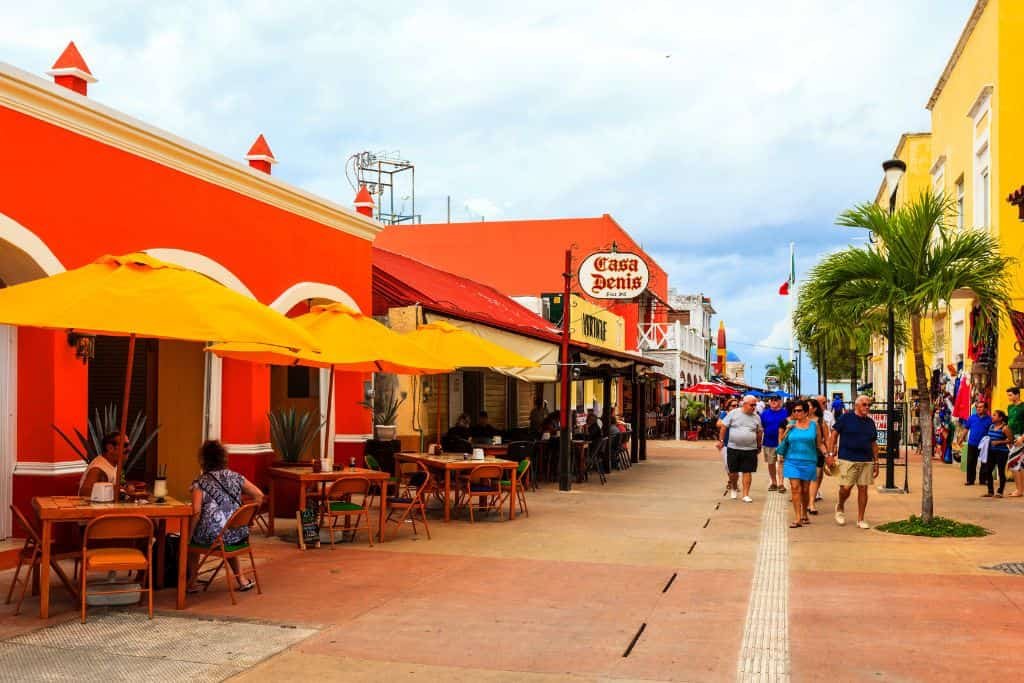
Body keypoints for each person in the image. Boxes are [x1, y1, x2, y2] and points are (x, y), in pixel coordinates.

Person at [187, 440, 264, 592]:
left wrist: (189, 537)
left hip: (216, 538)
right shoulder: (236, 477)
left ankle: (192, 582)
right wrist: (249, 520)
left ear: (203, 460)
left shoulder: (201, 482)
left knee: (190, 541)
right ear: (223, 458)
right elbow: (259, 495)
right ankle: (241, 580)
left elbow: (196, 512)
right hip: (239, 535)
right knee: (227, 530)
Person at [828, 395, 878, 529]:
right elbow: (834, 434)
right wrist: (830, 454)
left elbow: (873, 443)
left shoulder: (870, 422)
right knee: (845, 488)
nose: (867, 407)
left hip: (866, 459)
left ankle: (860, 519)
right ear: (857, 405)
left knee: (863, 488)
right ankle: (840, 506)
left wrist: (876, 462)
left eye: (868, 405)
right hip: (847, 458)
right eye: (864, 404)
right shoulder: (846, 418)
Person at [778, 399, 825, 528]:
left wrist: (828, 456)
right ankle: (797, 518)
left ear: (806, 412)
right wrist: (788, 430)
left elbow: (819, 443)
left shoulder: (814, 425)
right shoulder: (790, 424)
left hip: (809, 460)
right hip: (792, 460)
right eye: (794, 411)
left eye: (799, 410)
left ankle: (804, 512)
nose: (796, 413)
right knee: (795, 488)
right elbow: (782, 441)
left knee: (805, 489)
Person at [717, 395, 763, 503]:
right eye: (752, 405)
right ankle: (733, 487)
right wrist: (721, 441)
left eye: (755, 405)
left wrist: (759, 445)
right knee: (733, 472)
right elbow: (724, 427)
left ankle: (745, 494)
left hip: (750, 448)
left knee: (747, 471)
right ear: (744, 404)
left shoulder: (756, 417)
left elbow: (759, 432)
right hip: (734, 447)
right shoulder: (734, 413)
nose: (754, 407)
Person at [807, 396, 834, 514]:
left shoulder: (820, 421)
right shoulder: (799, 420)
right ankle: (806, 500)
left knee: (815, 476)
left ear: (814, 409)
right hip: (803, 453)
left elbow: (827, 438)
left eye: (808, 406)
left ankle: (811, 503)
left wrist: (829, 454)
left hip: (817, 452)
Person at [78, 432, 128, 497]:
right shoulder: (98, 469)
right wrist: (117, 491)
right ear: (110, 448)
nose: (129, 449)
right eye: (125, 445)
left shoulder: (111, 464)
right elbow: (84, 493)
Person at [760, 396, 789, 493]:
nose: (773, 401)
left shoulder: (786, 413)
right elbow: (762, 427)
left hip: (783, 442)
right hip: (768, 442)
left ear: (780, 401)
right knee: (771, 463)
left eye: (776, 400)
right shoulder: (764, 413)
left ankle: (781, 483)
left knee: (781, 462)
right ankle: (773, 482)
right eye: (772, 400)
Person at [980, 409, 1012, 498]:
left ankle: (1000, 492)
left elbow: (1010, 440)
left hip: (1002, 452)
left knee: (1001, 472)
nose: (992, 417)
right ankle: (990, 491)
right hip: (991, 452)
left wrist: (999, 442)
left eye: (994, 415)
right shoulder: (991, 426)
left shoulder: (1005, 428)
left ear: (1000, 418)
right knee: (988, 471)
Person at [961, 400, 992, 486]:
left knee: (984, 462)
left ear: (985, 408)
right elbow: (966, 429)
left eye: (981, 407)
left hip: (984, 445)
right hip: (972, 443)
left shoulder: (990, 419)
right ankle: (970, 480)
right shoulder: (971, 418)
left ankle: (983, 480)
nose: (979, 408)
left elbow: (992, 431)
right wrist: (961, 439)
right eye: (977, 407)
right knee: (971, 462)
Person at [717, 398, 740, 495]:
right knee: (727, 465)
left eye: (737, 405)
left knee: (735, 466)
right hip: (725, 443)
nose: (735, 407)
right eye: (733, 406)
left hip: (737, 443)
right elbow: (718, 424)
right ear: (728, 407)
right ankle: (731, 480)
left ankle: (734, 484)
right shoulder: (724, 414)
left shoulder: (740, 415)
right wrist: (729, 422)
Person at [1005, 388, 1024, 497]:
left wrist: (1022, 437)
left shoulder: (1023, 407)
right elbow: (1009, 423)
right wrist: (1009, 438)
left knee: (1013, 463)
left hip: (1020, 438)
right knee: (1020, 464)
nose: (1009, 397)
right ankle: (1020, 490)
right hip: (1013, 438)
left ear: (1017, 395)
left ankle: (1019, 490)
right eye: (1008, 395)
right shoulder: (1010, 407)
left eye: (1011, 395)